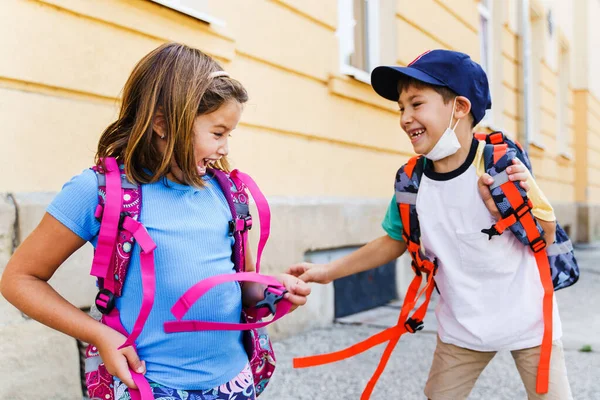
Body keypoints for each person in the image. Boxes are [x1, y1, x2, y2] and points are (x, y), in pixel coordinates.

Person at [1, 42, 310, 400]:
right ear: (163, 124)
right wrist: (99, 334)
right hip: (149, 385)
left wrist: (273, 289)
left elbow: (242, 284)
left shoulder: (226, 192)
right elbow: (19, 279)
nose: (225, 148)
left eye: (229, 134)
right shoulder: (98, 190)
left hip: (234, 382)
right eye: (217, 133)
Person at [288, 50, 572, 399]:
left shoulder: (502, 167)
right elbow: (394, 240)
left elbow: (543, 236)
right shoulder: (413, 182)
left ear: (460, 108)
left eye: (416, 104)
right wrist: (328, 271)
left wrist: (516, 211)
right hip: (462, 330)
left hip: (530, 324)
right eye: (401, 108)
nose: (405, 118)